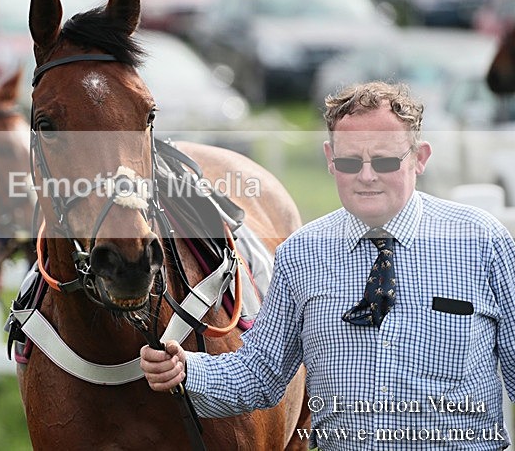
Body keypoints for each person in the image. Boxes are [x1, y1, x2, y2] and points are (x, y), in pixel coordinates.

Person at [140, 81, 515, 450]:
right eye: (351, 161)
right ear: (330, 159)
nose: (366, 176)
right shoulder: (300, 253)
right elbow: (262, 372)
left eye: (384, 161)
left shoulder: (483, 241)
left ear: (419, 158)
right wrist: (188, 370)